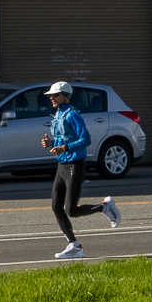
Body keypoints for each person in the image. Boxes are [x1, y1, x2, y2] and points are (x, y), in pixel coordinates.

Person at [44, 80, 119, 255]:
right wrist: (52, 143)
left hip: (74, 165)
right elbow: (65, 138)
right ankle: (74, 246)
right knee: (56, 207)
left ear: (64, 96)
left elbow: (86, 140)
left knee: (71, 210)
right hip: (62, 165)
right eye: (50, 96)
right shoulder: (57, 115)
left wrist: (64, 148)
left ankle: (105, 207)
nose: (51, 98)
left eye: (54, 95)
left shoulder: (72, 115)